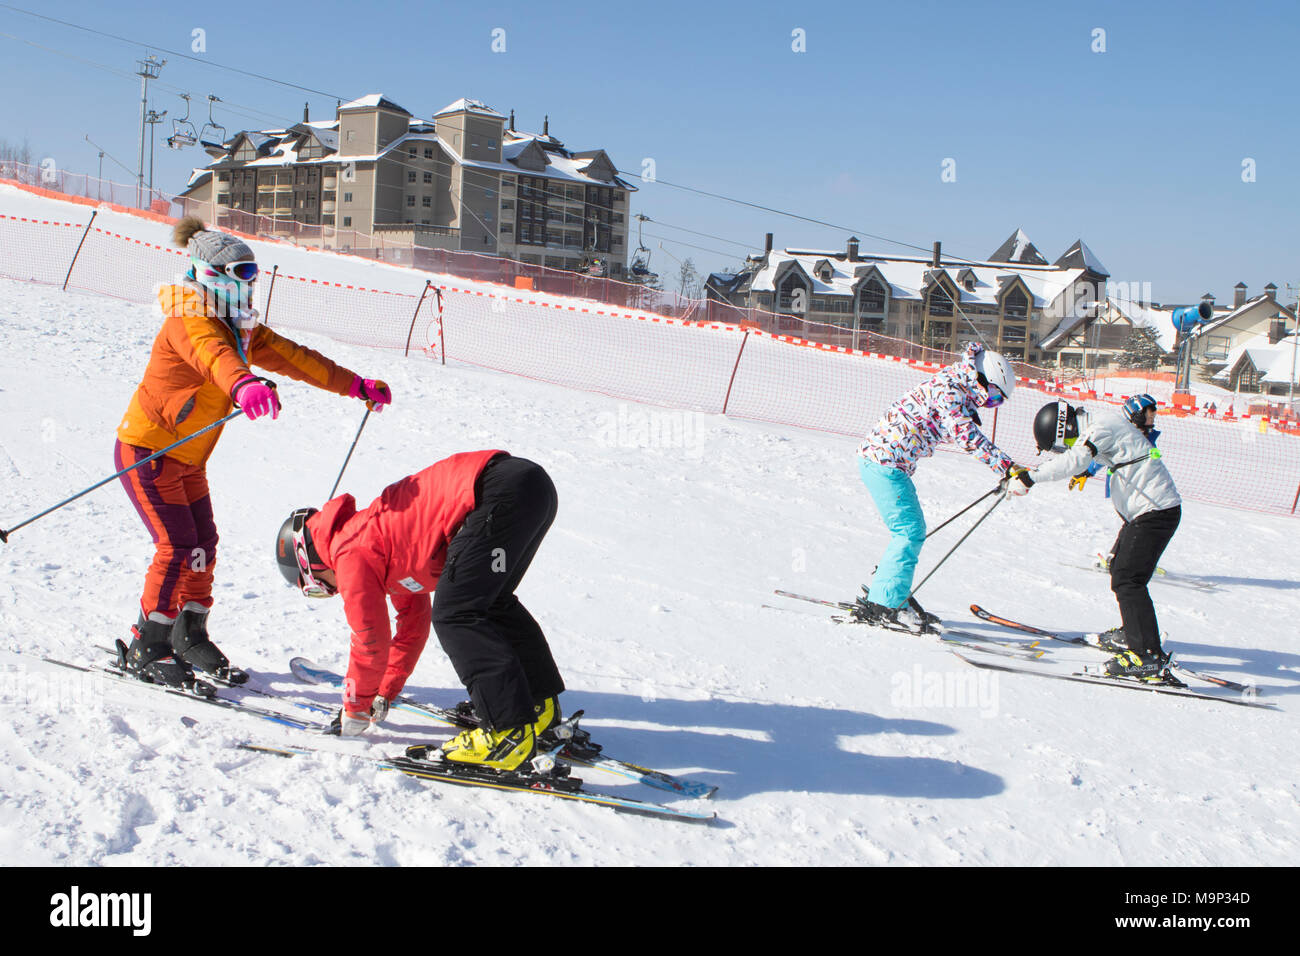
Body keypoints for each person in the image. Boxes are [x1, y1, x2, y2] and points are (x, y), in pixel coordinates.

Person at [116, 216, 392, 690]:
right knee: (176, 545)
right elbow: (211, 355)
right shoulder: (190, 316)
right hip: (149, 451)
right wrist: (243, 383)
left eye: (253, 274)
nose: (250, 284)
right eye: (242, 275)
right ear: (211, 275)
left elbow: (294, 357)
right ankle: (150, 639)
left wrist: (354, 385)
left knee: (203, 544)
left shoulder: (239, 326)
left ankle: (189, 632)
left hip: (188, 458)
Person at [275, 451, 565, 773]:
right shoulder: (375, 542)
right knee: (490, 601)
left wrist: (355, 710)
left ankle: (507, 735)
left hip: (496, 494)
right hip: (529, 488)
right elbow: (412, 625)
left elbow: (369, 639)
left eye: (317, 586)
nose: (331, 591)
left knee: (459, 613)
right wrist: (384, 689)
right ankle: (537, 707)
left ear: (311, 562)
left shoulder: (350, 552)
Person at [1005, 396, 1182, 681]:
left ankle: (1146, 655)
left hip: (1154, 513)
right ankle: (1134, 634)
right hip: (1149, 514)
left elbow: (1076, 460)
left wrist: (1030, 478)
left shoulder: (1100, 426)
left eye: (1059, 445)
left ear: (1063, 430)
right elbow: (1085, 460)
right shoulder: (1103, 425)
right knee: (1123, 571)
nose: (1065, 449)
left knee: (1127, 579)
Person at [854, 342, 1025, 630]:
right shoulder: (950, 390)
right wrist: (1007, 467)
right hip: (884, 463)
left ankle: (890, 590)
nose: (990, 403)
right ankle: (884, 602)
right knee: (909, 531)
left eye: (997, 402)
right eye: (994, 397)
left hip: (884, 462)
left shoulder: (955, 383)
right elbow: (964, 434)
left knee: (909, 531)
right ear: (983, 380)